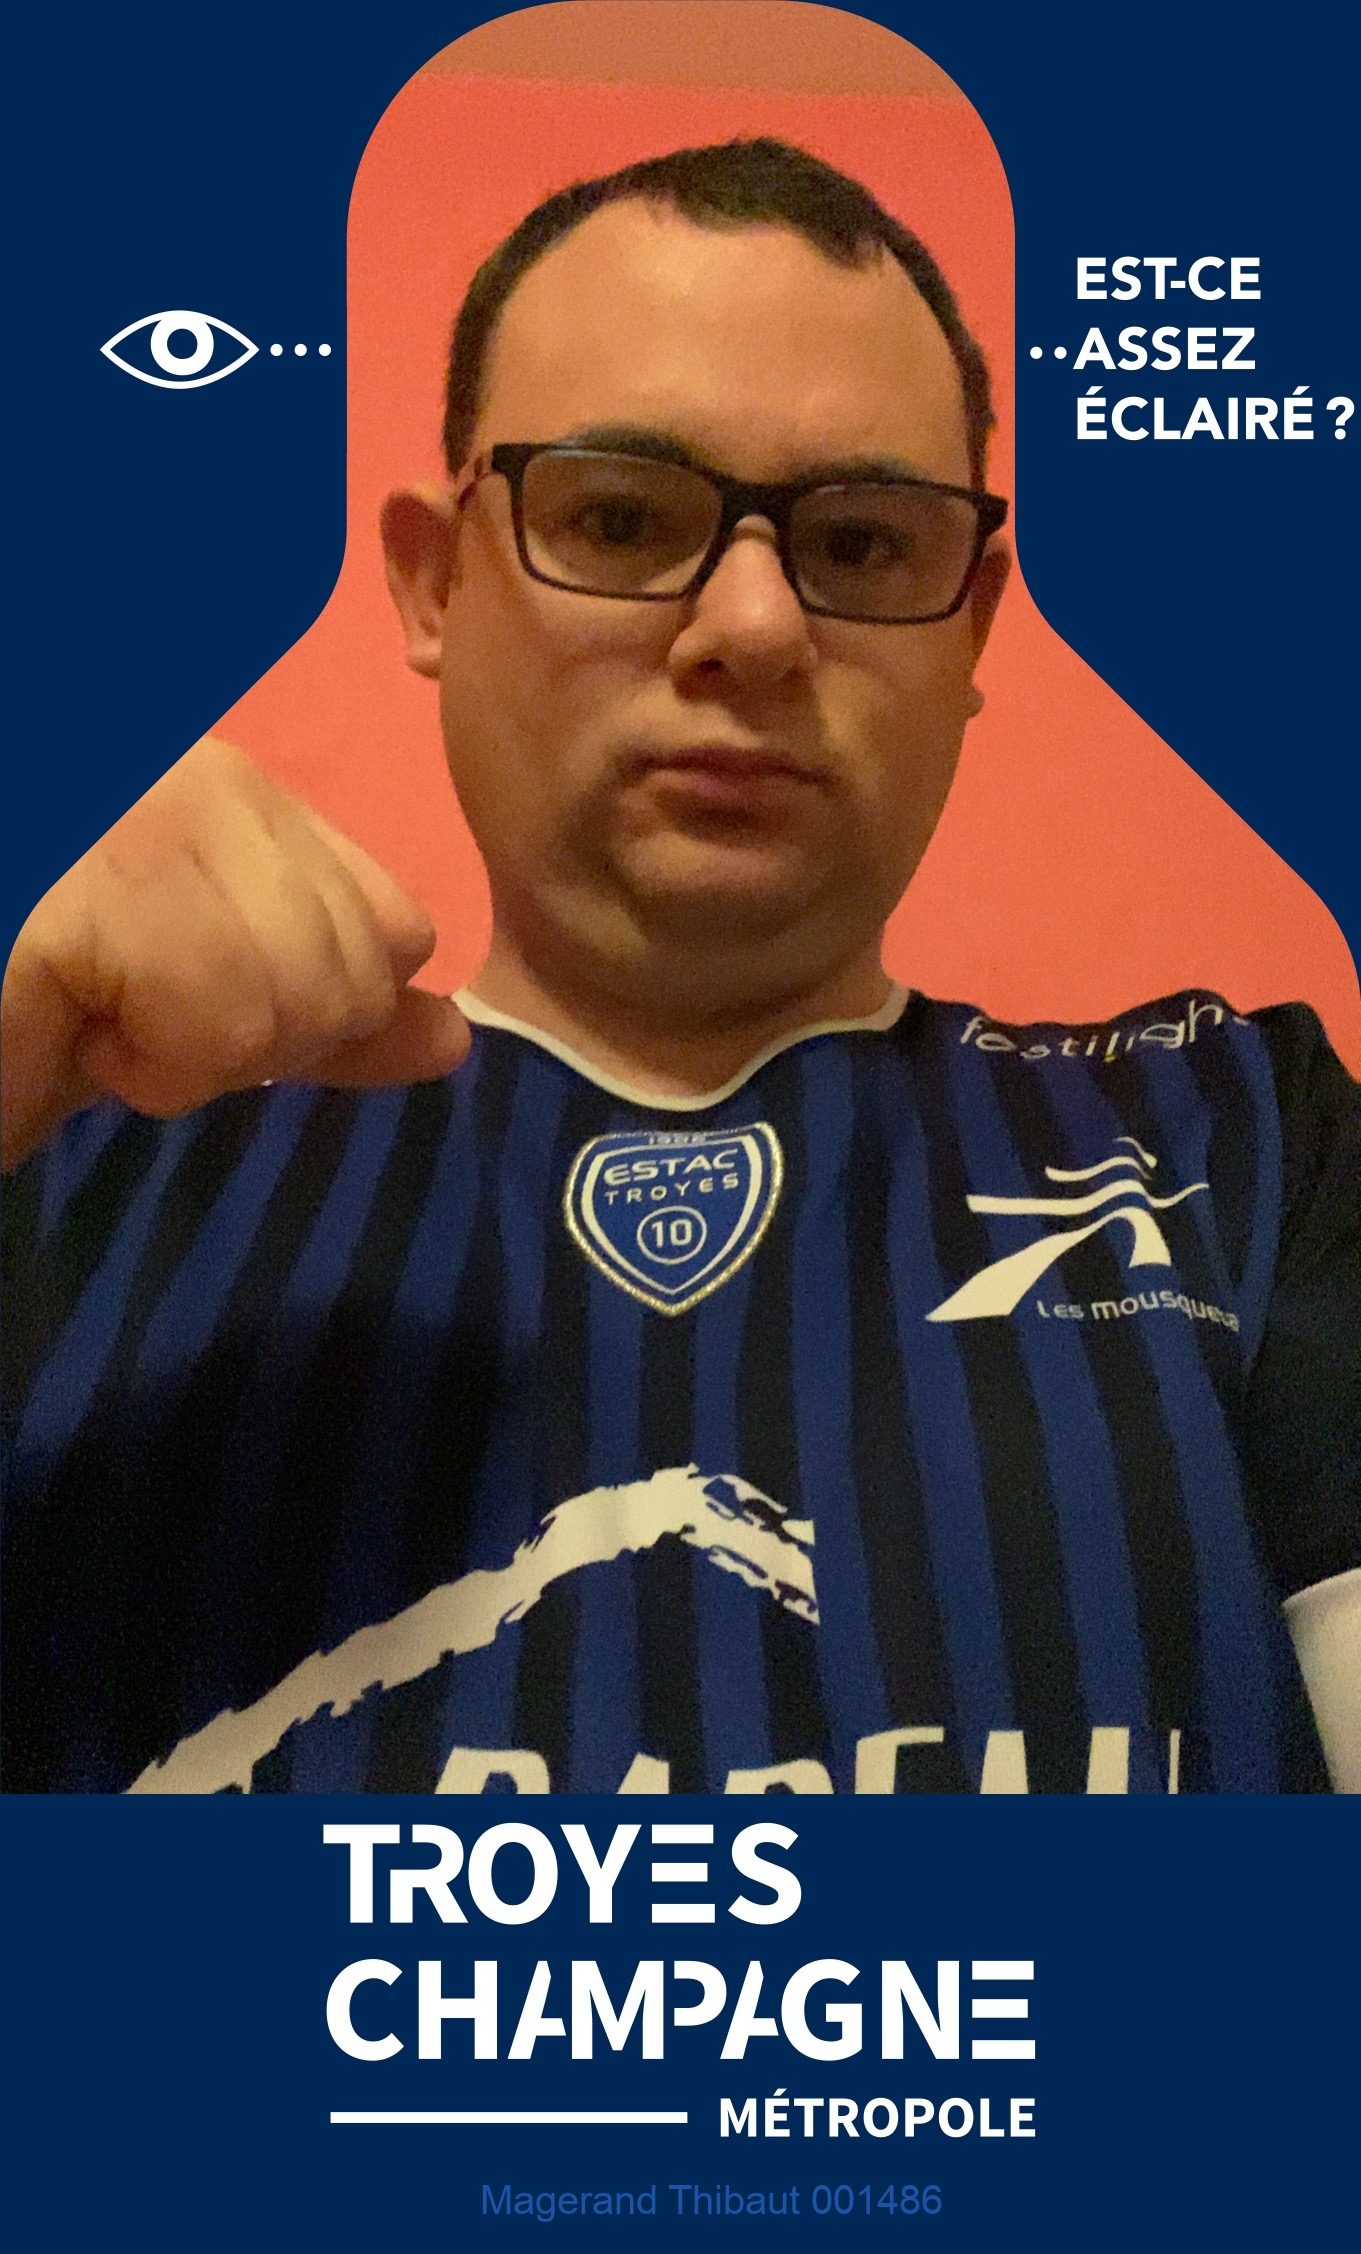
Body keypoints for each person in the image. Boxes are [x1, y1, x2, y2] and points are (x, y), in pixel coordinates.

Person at [3, 141, 1357, 1797]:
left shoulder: (1245, 1139)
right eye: (622, 516)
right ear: (433, 581)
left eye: (862, 543)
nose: (755, 627)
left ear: (972, 626)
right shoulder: (70, 1151)